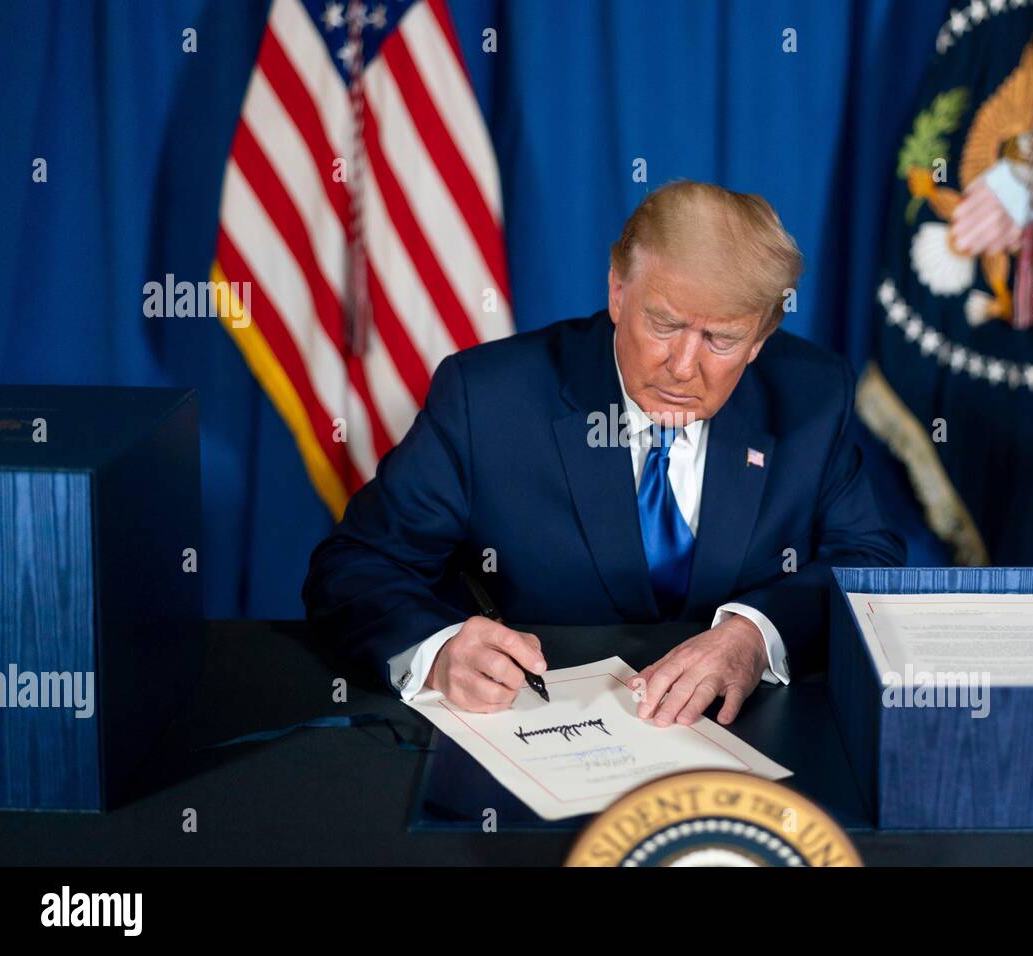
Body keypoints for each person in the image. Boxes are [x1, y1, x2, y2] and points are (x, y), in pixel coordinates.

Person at [303, 180, 905, 728]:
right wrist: (436, 653)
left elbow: (871, 563)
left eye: (721, 339)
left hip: (751, 743)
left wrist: (756, 634)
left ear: (761, 339)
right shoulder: (489, 398)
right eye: (664, 325)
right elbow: (354, 567)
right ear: (618, 291)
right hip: (536, 733)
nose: (684, 366)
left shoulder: (811, 395)